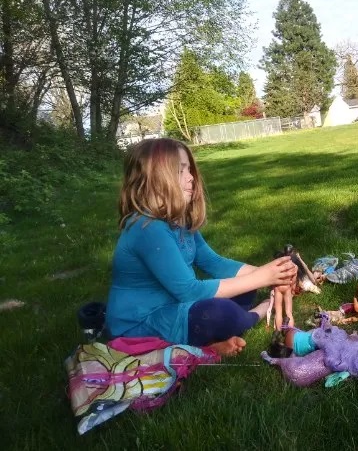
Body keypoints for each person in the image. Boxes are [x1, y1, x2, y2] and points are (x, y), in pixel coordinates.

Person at [105, 138, 297, 356]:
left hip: (173, 308)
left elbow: (213, 262)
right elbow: (189, 290)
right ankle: (258, 312)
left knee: (243, 286)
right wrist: (263, 278)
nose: (191, 178)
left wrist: (272, 274)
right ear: (155, 180)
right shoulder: (147, 228)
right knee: (218, 312)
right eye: (181, 171)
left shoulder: (177, 221)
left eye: (190, 169)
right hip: (139, 326)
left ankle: (215, 335)